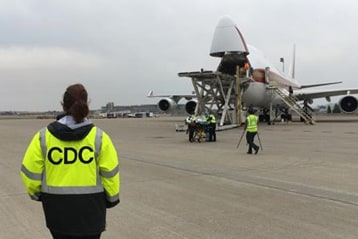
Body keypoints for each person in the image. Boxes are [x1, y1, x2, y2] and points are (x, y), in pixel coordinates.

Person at [20, 84, 120, 239]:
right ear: (87, 104)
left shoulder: (43, 137)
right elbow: (110, 173)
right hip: (91, 213)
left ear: (63, 106)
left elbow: (30, 173)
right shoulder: (99, 138)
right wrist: (112, 198)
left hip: (57, 213)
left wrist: (38, 194)